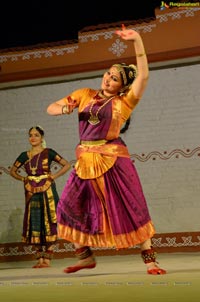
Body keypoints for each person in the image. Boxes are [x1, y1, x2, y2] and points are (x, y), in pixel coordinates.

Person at [46, 25, 166, 275]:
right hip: (85, 161)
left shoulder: (124, 102)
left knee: (131, 206)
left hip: (113, 161)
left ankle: (150, 260)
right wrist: (65, 108)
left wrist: (137, 41)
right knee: (67, 206)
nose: (108, 79)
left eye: (115, 78)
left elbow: (143, 77)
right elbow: (51, 107)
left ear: (122, 87)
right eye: (108, 74)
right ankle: (85, 257)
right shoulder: (84, 94)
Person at [10, 125, 71, 268]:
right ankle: (39, 259)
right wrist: (23, 179)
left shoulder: (48, 152)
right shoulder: (24, 155)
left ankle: (48, 258)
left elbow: (67, 165)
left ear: (42, 137)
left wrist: (53, 176)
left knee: (50, 219)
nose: (33, 138)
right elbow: (13, 171)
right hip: (31, 190)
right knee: (34, 220)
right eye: (30, 135)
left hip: (48, 189)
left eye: (36, 135)